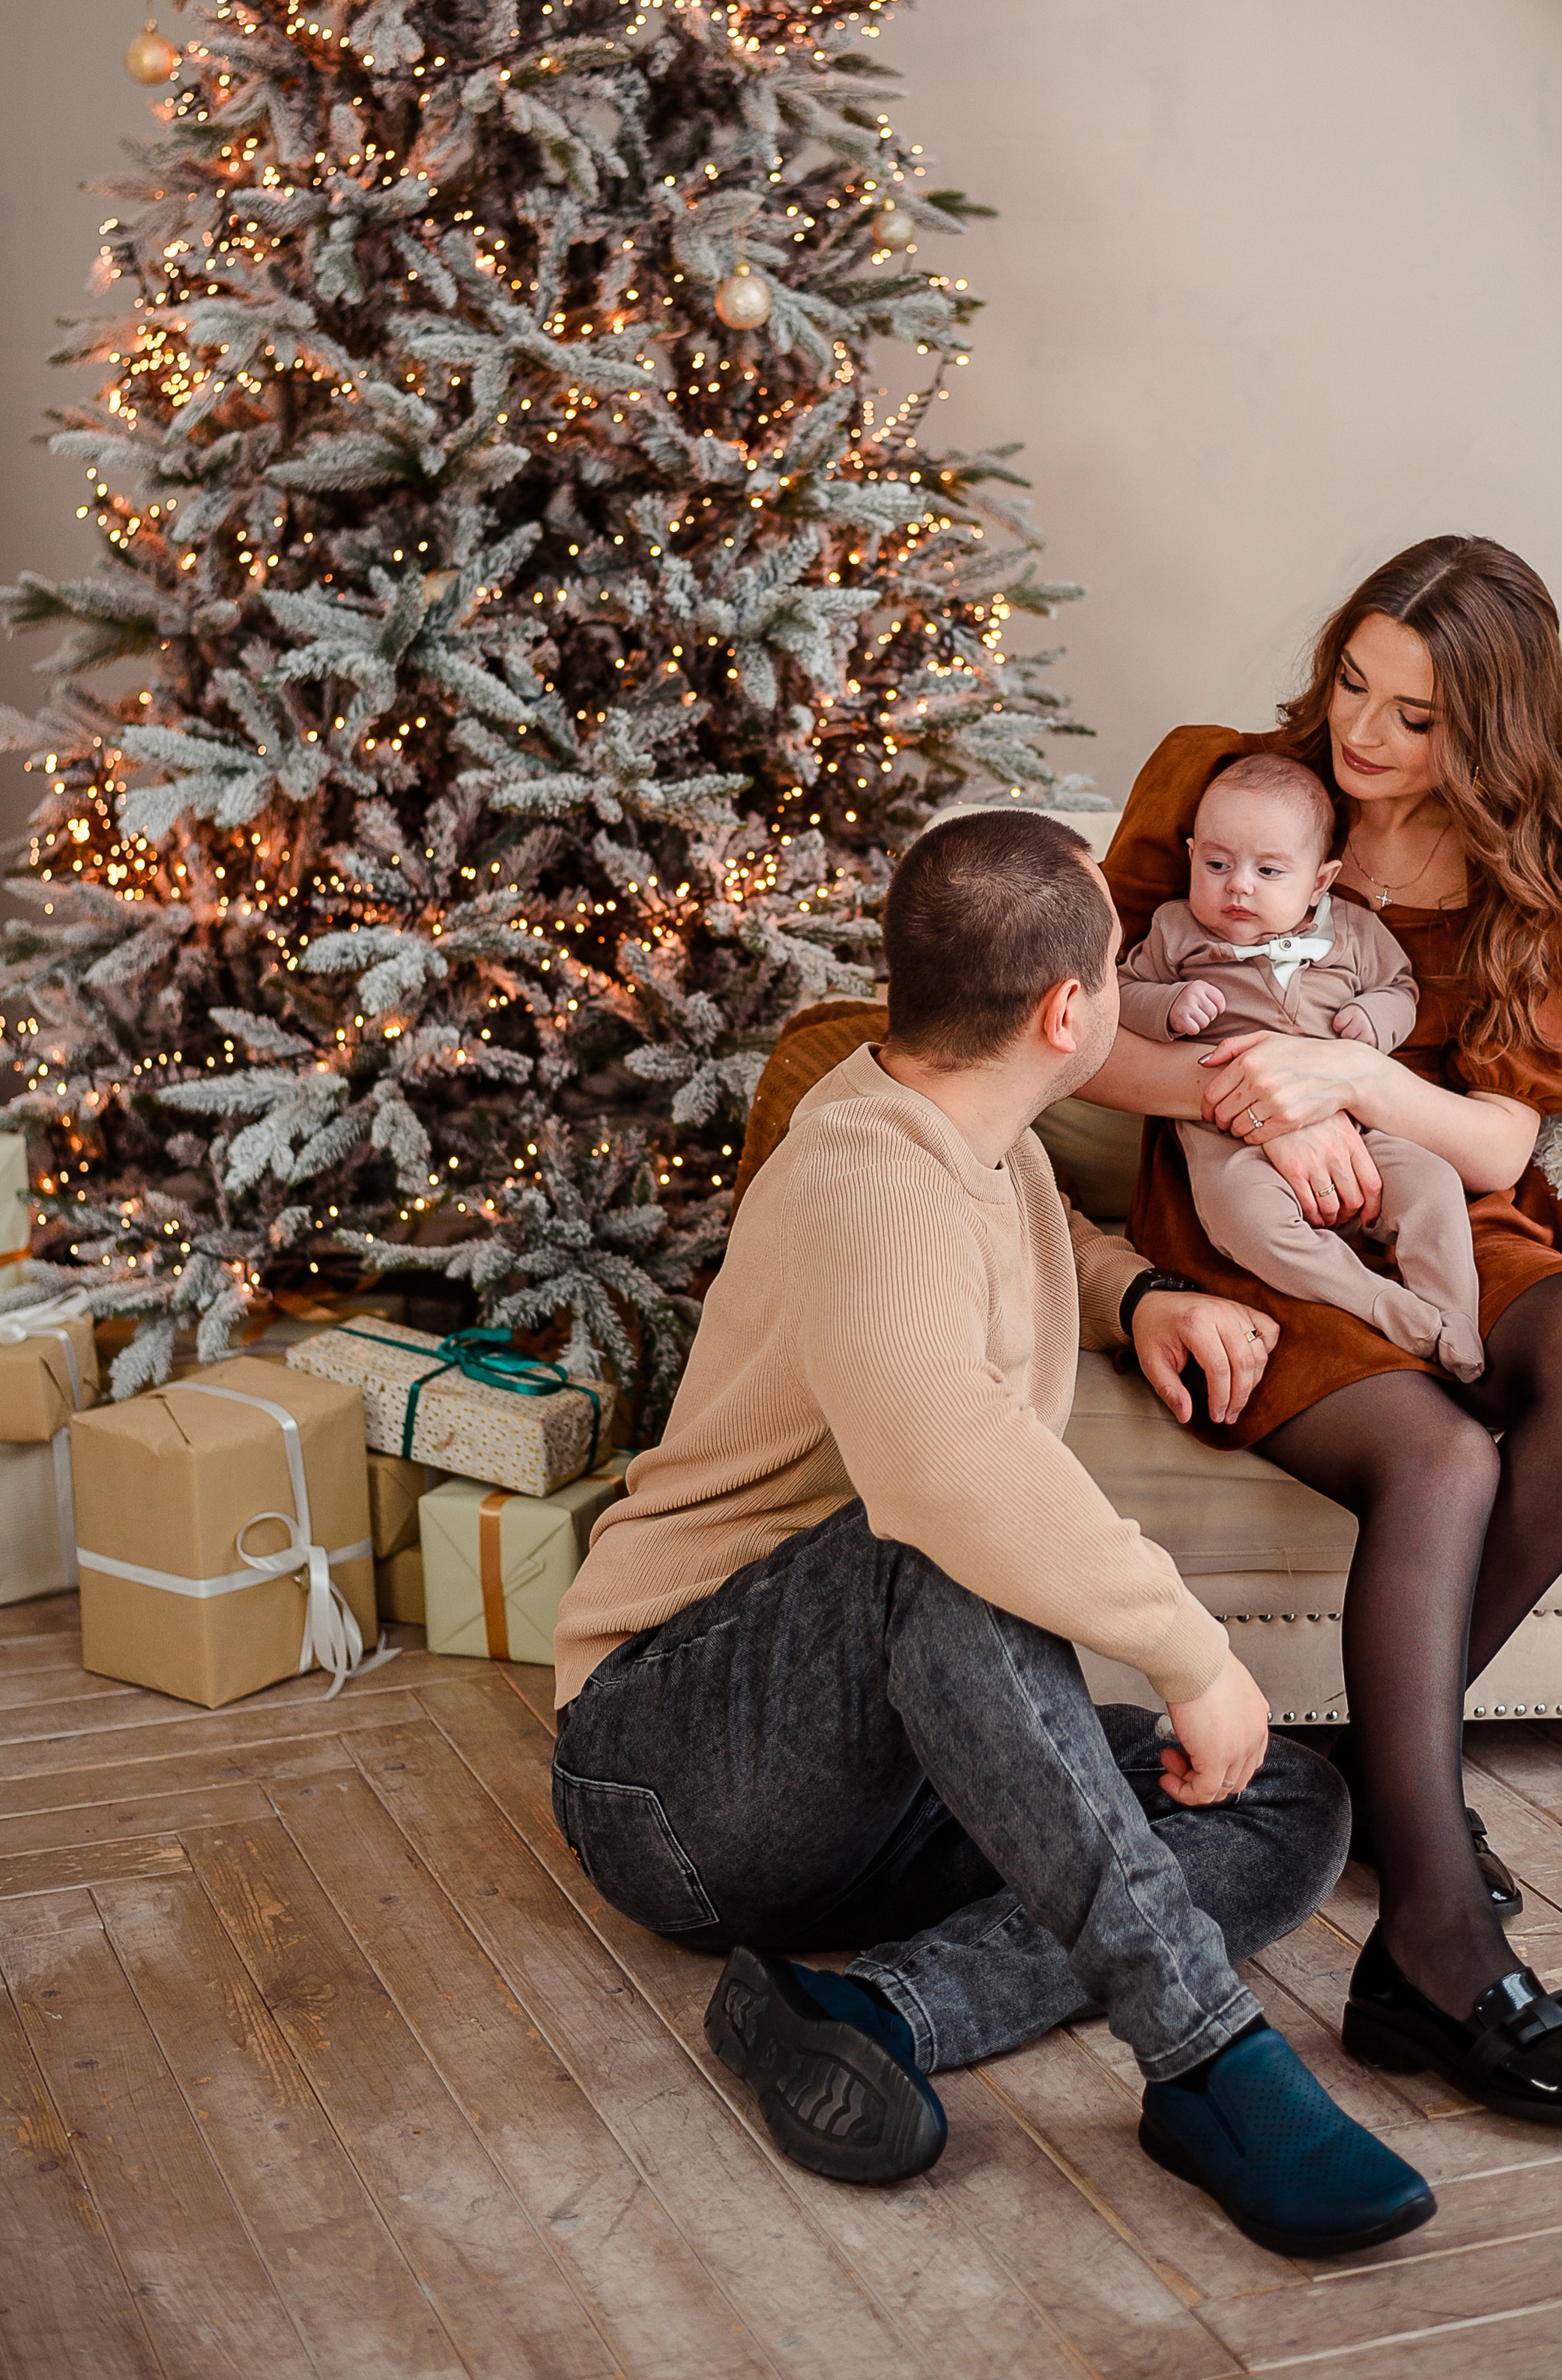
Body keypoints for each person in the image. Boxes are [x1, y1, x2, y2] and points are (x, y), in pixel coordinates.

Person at [552, 809, 1434, 2256]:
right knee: (948, 1542)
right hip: (671, 1764)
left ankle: (872, 2011)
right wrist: (1189, 1652)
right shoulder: (867, 1169)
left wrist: (1140, 1296)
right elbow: (944, 1469)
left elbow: (1009, 1235)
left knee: (1288, 1810)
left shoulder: (965, 1116)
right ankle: (1204, 2057)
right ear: (1070, 1012)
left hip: (872, 1770)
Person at [1082, 536, 1562, 2129]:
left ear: (1486, 731)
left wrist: (1346, 1080)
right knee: (1434, 1455)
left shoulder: (1542, 865)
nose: (1362, 735)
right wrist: (1249, 1094)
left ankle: (1372, 1799)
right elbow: (1071, 1037)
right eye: (1351, 681)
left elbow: (1495, 1150)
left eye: (1412, 716)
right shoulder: (1220, 787)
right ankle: (1435, 1937)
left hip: (1431, 1198)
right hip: (1243, 1218)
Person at [1118, 753, 1483, 1380]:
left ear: (1319, 881)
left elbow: (1401, 988)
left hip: (1353, 1131)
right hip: (1229, 1144)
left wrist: (1374, 1020)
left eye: (1268, 870)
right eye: (1216, 864)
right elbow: (1120, 996)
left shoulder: (1356, 932)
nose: (1238, 886)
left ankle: (1457, 1322)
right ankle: (1378, 1302)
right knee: (1247, 1220)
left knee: (1434, 1185)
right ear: (1191, 855)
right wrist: (1168, 1004)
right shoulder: (1176, 930)